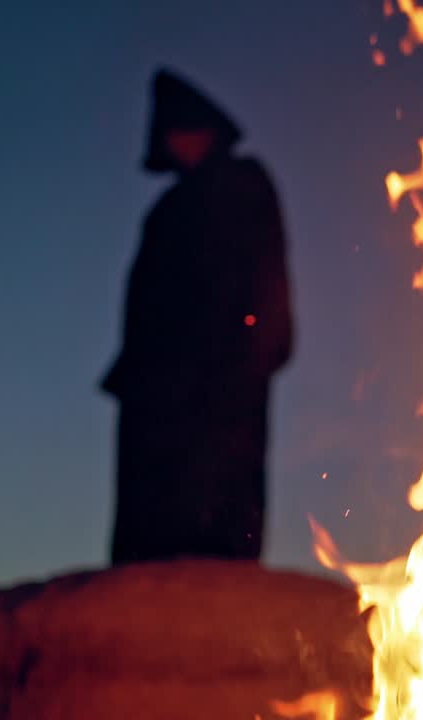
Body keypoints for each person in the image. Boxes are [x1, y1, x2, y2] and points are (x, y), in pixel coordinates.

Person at [100, 67, 293, 565]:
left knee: (215, 489)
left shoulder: (242, 184)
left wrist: (256, 346)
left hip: (221, 373)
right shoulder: (167, 208)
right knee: (155, 500)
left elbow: (265, 274)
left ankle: (216, 568)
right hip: (160, 381)